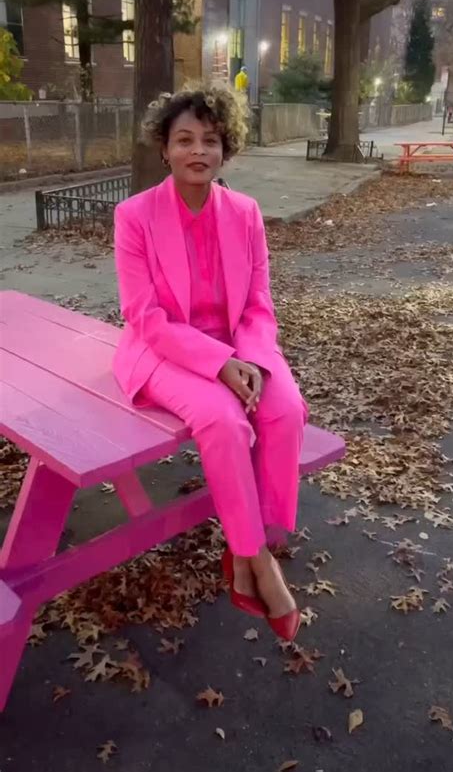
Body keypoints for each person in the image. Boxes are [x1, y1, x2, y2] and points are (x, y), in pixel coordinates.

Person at [113, 83, 308, 642]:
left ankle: (256, 538)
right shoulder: (134, 216)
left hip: (242, 345)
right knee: (224, 421)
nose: (198, 150)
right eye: (184, 140)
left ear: (226, 149)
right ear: (164, 148)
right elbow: (144, 316)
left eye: (211, 140)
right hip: (163, 351)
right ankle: (255, 559)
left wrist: (252, 361)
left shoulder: (245, 213)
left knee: (285, 411)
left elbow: (259, 302)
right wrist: (219, 364)